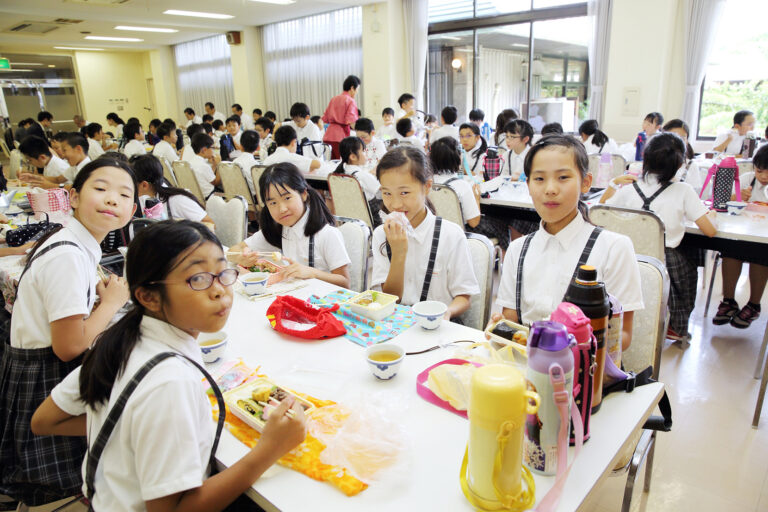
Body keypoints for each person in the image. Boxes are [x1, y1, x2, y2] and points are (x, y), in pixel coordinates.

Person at [30, 220, 306, 512]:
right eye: (198, 279)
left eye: (222, 272)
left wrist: (131, 431)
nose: (219, 291)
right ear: (148, 296)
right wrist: (270, 449)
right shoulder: (171, 383)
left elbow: (45, 419)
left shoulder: (121, 339)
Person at [0, 158, 136, 506]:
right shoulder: (68, 257)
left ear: (133, 209)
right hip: (44, 379)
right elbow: (69, 347)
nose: (111, 200)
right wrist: (111, 303)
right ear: (73, 197)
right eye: (100, 188)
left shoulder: (72, 240)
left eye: (123, 195)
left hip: (34, 368)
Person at [494, 134, 643, 350]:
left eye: (563, 177)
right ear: (528, 185)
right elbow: (512, 318)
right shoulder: (517, 249)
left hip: (583, 372)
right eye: (539, 179)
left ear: (586, 182)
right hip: (524, 367)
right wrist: (501, 329)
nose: (550, 189)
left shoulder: (614, 248)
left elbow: (623, 337)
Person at [601, 132, 717, 340]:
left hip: (628, 257)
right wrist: (712, 215)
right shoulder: (683, 190)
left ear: (645, 158)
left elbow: (601, 211)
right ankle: (677, 327)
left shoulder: (629, 188)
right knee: (690, 265)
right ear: (680, 163)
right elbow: (710, 231)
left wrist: (613, 184)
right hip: (665, 260)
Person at [371, 146, 479, 320]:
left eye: (404, 193)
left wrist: (448, 312)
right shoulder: (381, 234)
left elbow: (465, 297)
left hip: (439, 326)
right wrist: (398, 254)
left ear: (427, 186)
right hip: (396, 324)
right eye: (387, 193)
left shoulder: (451, 234)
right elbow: (390, 299)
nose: (395, 204)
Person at [231, 163, 351, 288]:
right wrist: (241, 257)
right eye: (272, 203)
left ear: (304, 194)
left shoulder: (327, 234)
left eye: (287, 198)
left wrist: (313, 273)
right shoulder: (278, 228)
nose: (282, 209)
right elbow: (232, 251)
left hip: (322, 302)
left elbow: (345, 283)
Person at [712, 144, 768, 328]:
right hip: (742, 233)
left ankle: (754, 304)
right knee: (730, 250)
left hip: (764, 239)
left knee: (760, 255)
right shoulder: (746, 180)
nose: (764, 177)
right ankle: (728, 301)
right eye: (760, 171)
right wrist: (737, 197)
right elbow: (723, 202)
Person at [430, 137, 510, 251]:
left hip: (435, 233)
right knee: (501, 225)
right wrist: (476, 198)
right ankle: (502, 262)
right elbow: (474, 222)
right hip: (462, 234)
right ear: (457, 157)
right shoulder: (461, 185)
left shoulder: (427, 183)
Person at [131, 154, 214, 226]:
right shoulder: (146, 198)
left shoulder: (177, 200)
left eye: (131, 183)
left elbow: (210, 224)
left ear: (144, 185)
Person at [334, 136, 381, 222]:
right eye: (363, 151)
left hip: (350, 218)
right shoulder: (363, 175)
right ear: (353, 157)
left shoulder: (340, 173)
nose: (366, 154)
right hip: (371, 218)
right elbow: (380, 189)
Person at [322, 75, 361, 159]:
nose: (357, 92)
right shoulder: (350, 100)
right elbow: (351, 121)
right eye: (357, 89)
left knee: (331, 164)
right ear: (352, 88)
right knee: (343, 163)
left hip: (328, 135)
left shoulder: (334, 99)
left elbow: (325, 118)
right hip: (340, 137)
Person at [662, 119, 699, 189]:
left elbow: (694, 194)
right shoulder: (655, 163)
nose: (677, 142)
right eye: (673, 137)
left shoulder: (691, 166)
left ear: (687, 141)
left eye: (682, 138)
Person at [189, 133, 221, 199]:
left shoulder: (192, 161)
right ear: (204, 150)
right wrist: (219, 165)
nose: (213, 150)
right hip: (210, 196)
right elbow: (216, 182)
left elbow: (208, 176)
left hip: (198, 196)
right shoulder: (203, 165)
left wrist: (214, 165)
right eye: (212, 148)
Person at [232, 130, 260, 196]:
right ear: (258, 147)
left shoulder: (234, 162)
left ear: (241, 146)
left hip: (237, 200)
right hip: (254, 201)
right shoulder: (256, 166)